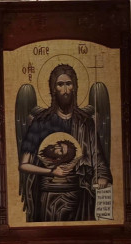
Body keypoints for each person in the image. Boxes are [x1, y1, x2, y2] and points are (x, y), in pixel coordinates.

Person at [17, 64, 112, 221]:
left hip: (79, 193)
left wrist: (102, 176)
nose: (65, 89)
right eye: (60, 84)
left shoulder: (85, 122)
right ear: (53, 89)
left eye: (69, 84)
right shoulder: (41, 121)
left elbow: (97, 155)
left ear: (74, 87)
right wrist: (51, 171)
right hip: (48, 195)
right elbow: (24, 165)